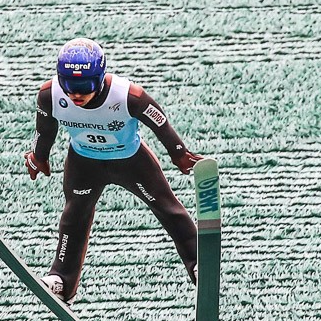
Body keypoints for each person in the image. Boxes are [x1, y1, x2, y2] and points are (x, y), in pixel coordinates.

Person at [24, 37, 203, 304]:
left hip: (131, 162)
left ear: (100, 78)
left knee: (168, 208)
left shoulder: (128, 96)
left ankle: (199, 263)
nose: (76, 95)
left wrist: (179, 153)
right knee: (73, 216)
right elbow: (45, 129)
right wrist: (39, 156)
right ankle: (61, 279)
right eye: (69, 85)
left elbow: (160, 122)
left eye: (85, 87)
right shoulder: (50, 95)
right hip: (84, 162)